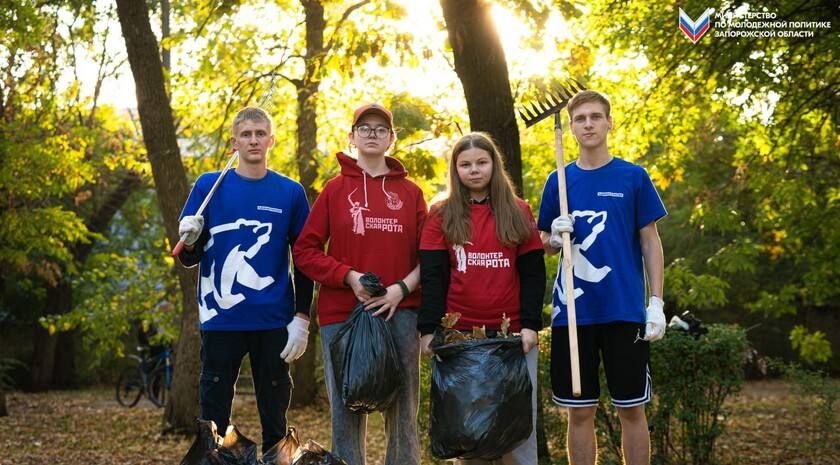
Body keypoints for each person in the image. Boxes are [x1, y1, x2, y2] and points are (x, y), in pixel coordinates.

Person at [292, 103, 427, 465]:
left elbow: (430, 256)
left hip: (400, 312)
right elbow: (305, 251)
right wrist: (348, 277)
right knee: (346, 411)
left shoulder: (412, 194)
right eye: (364, 128)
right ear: (351, 137)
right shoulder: (335, 191)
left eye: (380, 128)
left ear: (391, 138)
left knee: (402, 413)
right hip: (343, 315)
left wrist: (400, 289)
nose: (372, 133)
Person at [537, 90, 667, 465]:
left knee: (632, 409)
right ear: (572, 128)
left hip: (624, 309)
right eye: (581, 119)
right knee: (579, 411)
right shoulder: (558, 181)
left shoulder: (633, 177)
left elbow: (650, 241)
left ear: (609, 122)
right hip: (574, 310)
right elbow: (544, 242)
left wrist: (655, 302)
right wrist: (553, 236)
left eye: (596, 116)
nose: (589, 124)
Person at [176, 107, 313, 457]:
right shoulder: (209, 186)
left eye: (260, 133)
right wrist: (190, 240)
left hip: (273, 320)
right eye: (246, 134)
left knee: (275, 413)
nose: (254, 140)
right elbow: (188, 258)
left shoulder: (290, 193)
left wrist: (302, 317)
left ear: (271, 140)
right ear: (234, 141)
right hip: (221, 319)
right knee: (214, 416)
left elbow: (306, 259)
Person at [418, 132, 546, 465]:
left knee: (517, 431)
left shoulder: (518, 210)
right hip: (462, 340)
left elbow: (533, 272)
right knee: (470, 432)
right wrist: (428, 330)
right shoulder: (441, 214)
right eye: (465, 164)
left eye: (481, 162)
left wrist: (531, 325)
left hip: (512, 339)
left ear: (494, 164)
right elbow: (432, 276)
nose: (474, 170)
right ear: (455, 169)